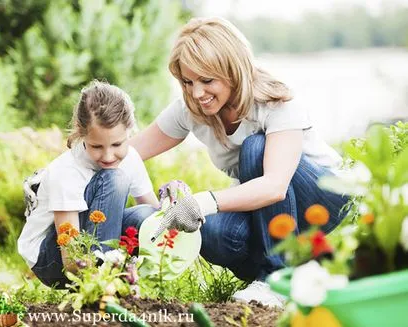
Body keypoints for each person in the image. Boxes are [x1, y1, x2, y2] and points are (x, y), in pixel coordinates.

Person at [130, 17, 349, 307]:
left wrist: (199, 202)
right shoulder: (191, 107)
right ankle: (296, 270)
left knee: (255, 148)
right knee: (210, 231)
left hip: (323, 199)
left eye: (207, 80)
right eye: (188, 81)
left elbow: (274, 187)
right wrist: (67, 166)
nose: (197, 93)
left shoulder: (276, 103)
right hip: (271, 213)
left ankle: (278, 278)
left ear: (232, 70)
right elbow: (129, 152)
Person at [18, 80, 158, 288]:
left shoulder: (131, 158)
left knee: (147, 216)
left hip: (92, 243)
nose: (109, 155)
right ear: (81, 134)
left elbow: (155, 216)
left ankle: (116, 275)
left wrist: (175, 208)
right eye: (97, 146)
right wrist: (96, 275)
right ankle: (102, 283)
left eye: (117, 144)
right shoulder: (66, 172)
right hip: (52, 258)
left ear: (130, 131)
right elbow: (70, 257)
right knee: (115, 178)